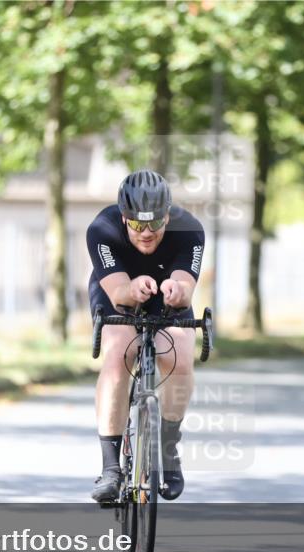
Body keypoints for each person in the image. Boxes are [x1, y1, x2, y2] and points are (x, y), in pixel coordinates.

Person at [85, 169, 205, 503]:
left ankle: (167, 451)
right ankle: (110, 468)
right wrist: (131, 288)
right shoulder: (102, 229)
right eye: (137, 224)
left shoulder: (189, 229)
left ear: (168, 215)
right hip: (117, 292)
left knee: (179, 356)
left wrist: (176, 289)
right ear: (124, 219)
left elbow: (186, 288)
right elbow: (118, 290)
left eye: (155, 223)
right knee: (119, 352)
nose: (147, 232)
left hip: (166, 297)